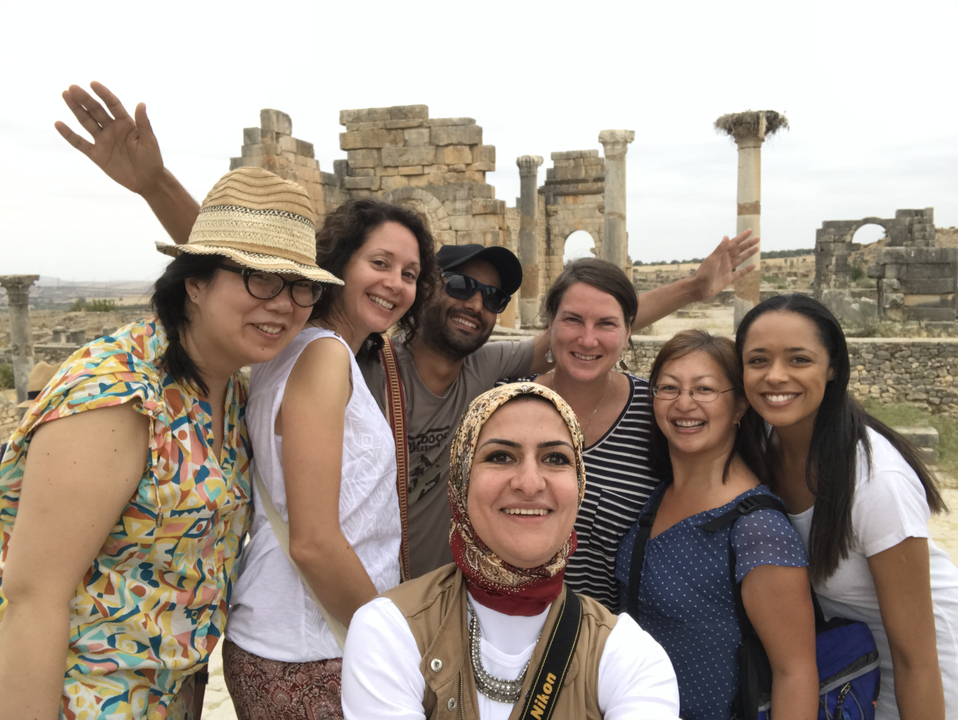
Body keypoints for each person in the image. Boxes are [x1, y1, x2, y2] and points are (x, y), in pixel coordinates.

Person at [55, 81, 761, 578]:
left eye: (492, 296)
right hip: (333, 614)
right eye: (459, 284)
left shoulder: (488, 370)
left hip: (429, 597)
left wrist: (697, 289)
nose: (475, 303)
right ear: (425, 295)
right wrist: (156, 185)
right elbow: (250, 274)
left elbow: (588, 332)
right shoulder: (350, 358)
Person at [0, 167, 340, 719]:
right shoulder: (117, 397)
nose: (284, 303)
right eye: (259, 277)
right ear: (195, 283)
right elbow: (32, 597)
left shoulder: (230, 387)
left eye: (302, 284)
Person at [341, 382, 681, 720]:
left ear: (579, 484)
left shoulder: (628, 657)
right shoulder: (389, 630)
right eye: (500, 457)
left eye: (555, 458)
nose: (530, 483)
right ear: (461, 479)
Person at [222, 198, 437, 719]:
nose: (395, 284)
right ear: (338, 263)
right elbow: (314, 542)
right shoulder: (324, 355)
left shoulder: (296, 347)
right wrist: (393, 643)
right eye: (380, 263)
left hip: (304, 637)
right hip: (309, 647)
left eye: (410, 274)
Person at [736, 294, 958, 720]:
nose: (775, 376)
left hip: (923, 678)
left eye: (799, 359)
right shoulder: (762, 445)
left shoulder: (877, 482)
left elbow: (917, 659)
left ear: (832, 367)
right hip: (850, 668)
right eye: (758, 360)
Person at [614, 330, 817, 720]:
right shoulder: (658, 494)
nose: (684, 403)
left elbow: (795, 673)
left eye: (704, 389)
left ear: (739, 406)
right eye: (668, 388)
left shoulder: (759, 531)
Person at [512, 258, 659, 610]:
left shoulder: (656, 413)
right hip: (508, 623)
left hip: (609, 631)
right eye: (573, 320)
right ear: (550, 323)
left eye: (606, 323)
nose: (588, 339)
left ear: (628, 332)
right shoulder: (506, 403)